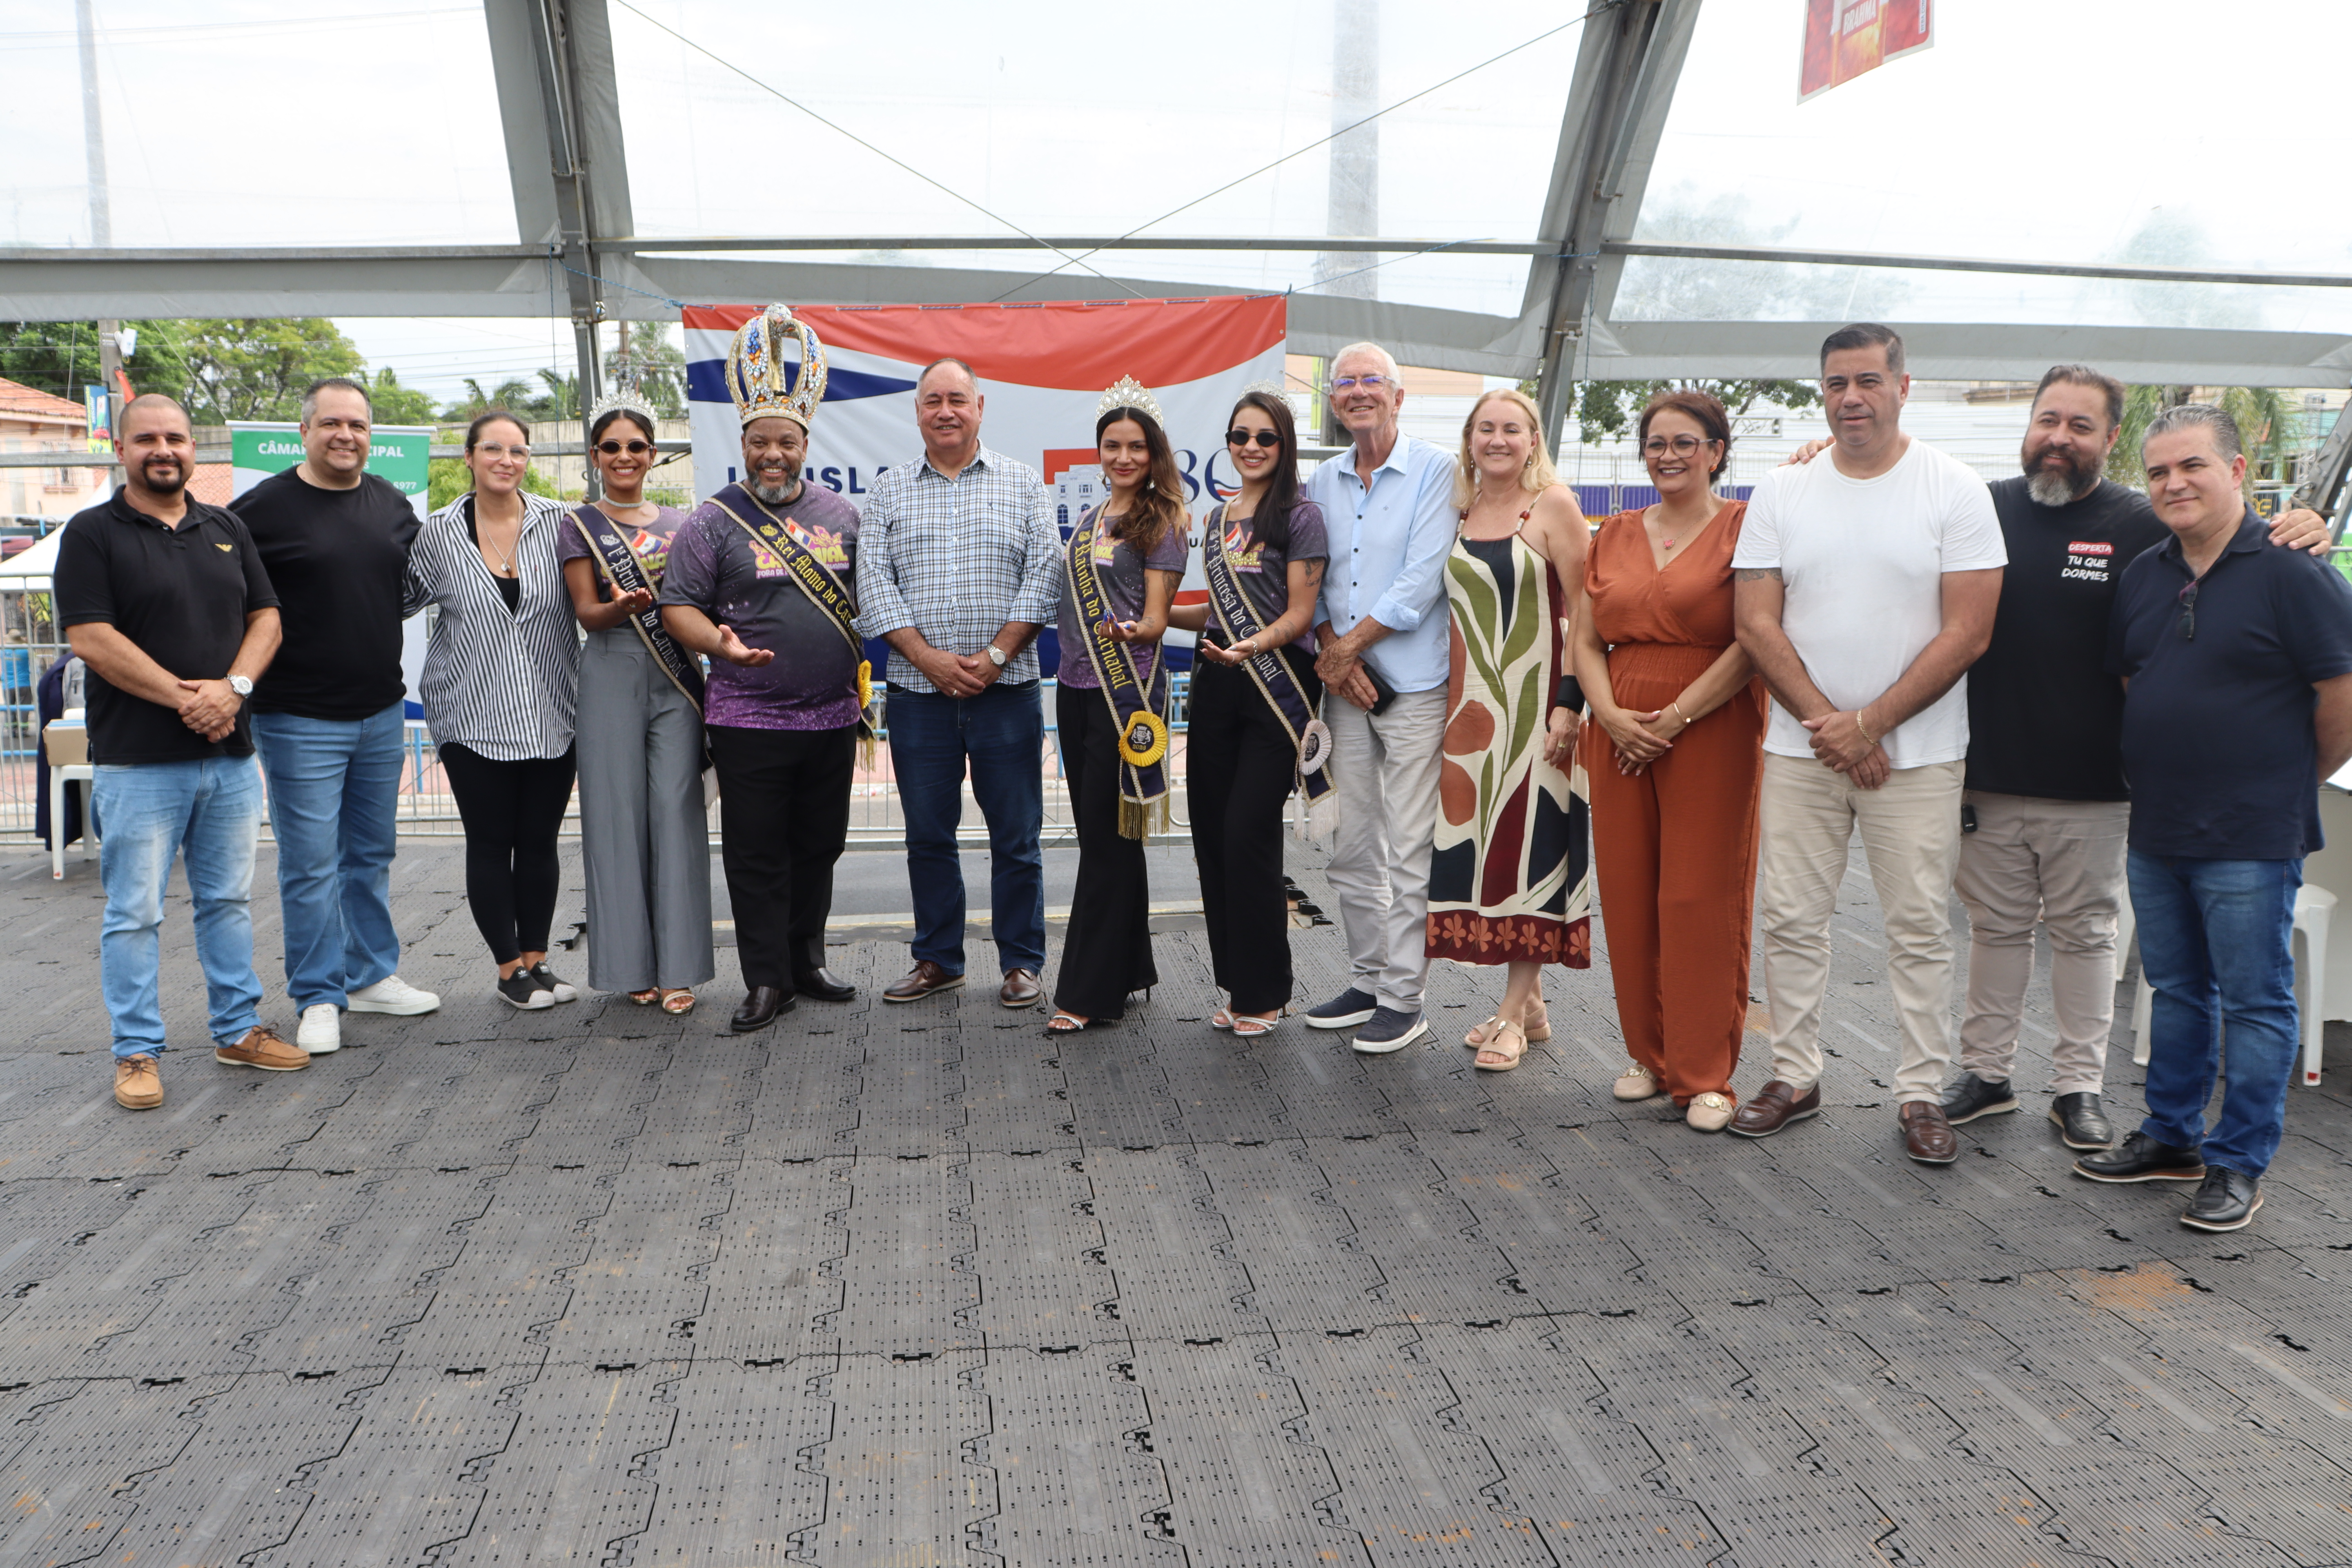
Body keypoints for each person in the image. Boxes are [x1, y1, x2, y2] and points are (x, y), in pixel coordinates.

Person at [1930, 368, 2336, 1150]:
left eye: (2081, 425)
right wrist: (1818, 455)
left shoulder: (2145, 522)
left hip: (2099, 787)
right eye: (2048, 419)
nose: (2059, 437)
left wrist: (2307, 523)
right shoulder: (1980, 507)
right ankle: (1985, 1074)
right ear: (2029, 424)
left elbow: (2235, 543)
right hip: (1991, 775)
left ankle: (2078, 1088)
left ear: (2110, 439)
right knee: (1996, 931)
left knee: (2086, 936)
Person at [1728, 323, 2006, 1164]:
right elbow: (1755, 622)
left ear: (1903, 386)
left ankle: (1921, 1091)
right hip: (1801, 750)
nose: (1851, 398)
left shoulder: (1955, 489)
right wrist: (1834, 726)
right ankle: (1794, 1075)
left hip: (1918, 757)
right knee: (1791, 919)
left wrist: (1871, 723)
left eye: (1868, 381)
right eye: (1836, 384)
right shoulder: (1785, 490)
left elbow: (1969, 632)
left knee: (1919, 926)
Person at [2075, 404, 2352, 1232]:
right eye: (2159, 471)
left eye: (2192, 465)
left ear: (2236, 471)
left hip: (2252, 834)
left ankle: (2238, 1163)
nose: (2174, 483)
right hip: (2159, 824)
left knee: (2254, 1001)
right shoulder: (2145, 574)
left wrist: (2287, 780)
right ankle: (2171, 1136)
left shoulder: (2295, 570)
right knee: (2175, 990)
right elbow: (2136, 679)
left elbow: (2341, 696)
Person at [54, 393, 308, 1110]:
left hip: (229, 758)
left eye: (176, 438)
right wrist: (188, 699)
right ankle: (136, 1051)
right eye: (147, 440)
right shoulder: (92, 533)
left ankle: (237, 1029)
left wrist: (234, 689)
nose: (163, 450)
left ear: (194, 448)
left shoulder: (226, 526)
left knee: (227, 902)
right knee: (135, 913)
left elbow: (267, 618)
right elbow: (91, 637)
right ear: (121, 450)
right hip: (138, 762)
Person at [661, 304, 865, 1032]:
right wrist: (722, 647)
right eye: (760, 442)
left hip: (833, 717)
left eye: (786, 441)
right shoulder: (712, 521)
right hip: (748, 719)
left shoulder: (844, 516)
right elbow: (677, 607)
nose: (773, 454)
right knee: (755, 855)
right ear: (743, 445)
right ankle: (766, 979)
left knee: (820, 847)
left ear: (805, 444)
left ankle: (806, 962)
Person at [1573, 390, 1765, 1129]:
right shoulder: (1614, 533)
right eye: (1657, 443)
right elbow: (1585, 640)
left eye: (1686, 443)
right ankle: (1650, 1056)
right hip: (1620, 730)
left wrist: (1678, 715)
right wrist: (1610, 717)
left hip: (1710, 726)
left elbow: (1752, 641)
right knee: (1628, 892)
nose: (1669, 456)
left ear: (1717, 452)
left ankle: (1705, 1074)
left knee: (1700, 896)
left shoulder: (1747, 528)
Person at [233, 377, 439, 1057]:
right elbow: (226, 595)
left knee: (370, 855)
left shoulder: (390, 503)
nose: (345, 435)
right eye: (330, 423)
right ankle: (318, 995)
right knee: (310, 865)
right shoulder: (260, 509)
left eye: (356, 424)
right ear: (305, 432)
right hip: (297, 717)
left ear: (370, 435)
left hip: (380, 711)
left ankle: (370, 974)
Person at [856, 357, 1062, 1009]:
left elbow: (1045, 575)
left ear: (980, 407)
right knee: (927, 837)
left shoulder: (1023, 484)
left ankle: (1022, 962)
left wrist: (997, 655)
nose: (945, 411)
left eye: (957, 399)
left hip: (1008, 691)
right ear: (917, 411)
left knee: (1017, 838)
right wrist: (929, 660)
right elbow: (873, 585)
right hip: (919, 698)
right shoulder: (888, 491)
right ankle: (939, 960)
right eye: (932, 401)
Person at [1425, 387, 1593, 1071]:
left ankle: (1510, 1014)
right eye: (1486, 428)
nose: (1498, 440)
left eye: (1512, 429)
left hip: (1539, 709)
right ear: (1470, 439)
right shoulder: (1461, 511)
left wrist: (1570, 704)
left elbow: (1588, 611)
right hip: (1473, 713)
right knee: (1490, 855)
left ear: (1533, 441)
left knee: (1532, 851)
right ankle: (1533, 1007)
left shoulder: (1553, 506)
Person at [1301, 342, 1460, 1054]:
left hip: (1414, 686)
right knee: (1353, 841)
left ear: (1399, 396)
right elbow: (1310, 578)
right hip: (1344, 687)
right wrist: (1333, 655)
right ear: (1334, 400)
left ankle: (1404, 997)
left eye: (1373, 381)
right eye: (1346, 383)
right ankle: (1367, 979)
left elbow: (1422, 579)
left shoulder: (1436, 469)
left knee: (1410, 844)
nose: (1359, 391)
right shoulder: (1321, 479)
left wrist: (1346, 650)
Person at [403, 411, 581, 1010]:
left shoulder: (561, 523)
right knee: (490, 841)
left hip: (551, 710)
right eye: (493, 449)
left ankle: (537, 960)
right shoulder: (437, 533)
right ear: (469, 457)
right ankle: (509, 970)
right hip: (470, 712)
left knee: (539, 841)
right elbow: (396, 599)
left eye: (518, 451)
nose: (507, 460)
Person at [1167, 387, 1330, 1035]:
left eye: (1266, 437)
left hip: (1274, 684)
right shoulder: (1216, 519)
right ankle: (1238, 985)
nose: (1252, 447)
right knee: (1212, 835)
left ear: (1284, 444)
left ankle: (1267, 993)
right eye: (1241, 436)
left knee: (1247, 834)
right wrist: (1152, 618)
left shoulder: (1301, 516)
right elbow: (1213, 611)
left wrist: (1253, 645)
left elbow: (1301, 614)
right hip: (1218, 681)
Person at [1044, 381, 1191, 1034]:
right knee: (1108, 837)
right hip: (1074, 692)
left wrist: (1134, 630)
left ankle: (1086, 991)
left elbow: (1157, 619)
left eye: (1136, 447)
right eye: (1113, 446)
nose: (1123, 457)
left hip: (1124, 694)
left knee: (1105, 842)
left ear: (1154, 453)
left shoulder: (1164, 523)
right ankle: (1130, 967)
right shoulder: (1089, 519)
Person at [559, 388, 711, 1016]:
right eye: (612, 446)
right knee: (615, 818)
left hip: (676, 677)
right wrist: (619, 607)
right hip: (610, 671)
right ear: (596, 455)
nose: (625, 456)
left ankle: (680, 969)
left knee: (678, 815)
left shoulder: (684, 524)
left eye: (637, 446)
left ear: (653, 454)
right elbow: (586, 614)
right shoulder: (578, 525)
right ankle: (628, 968)